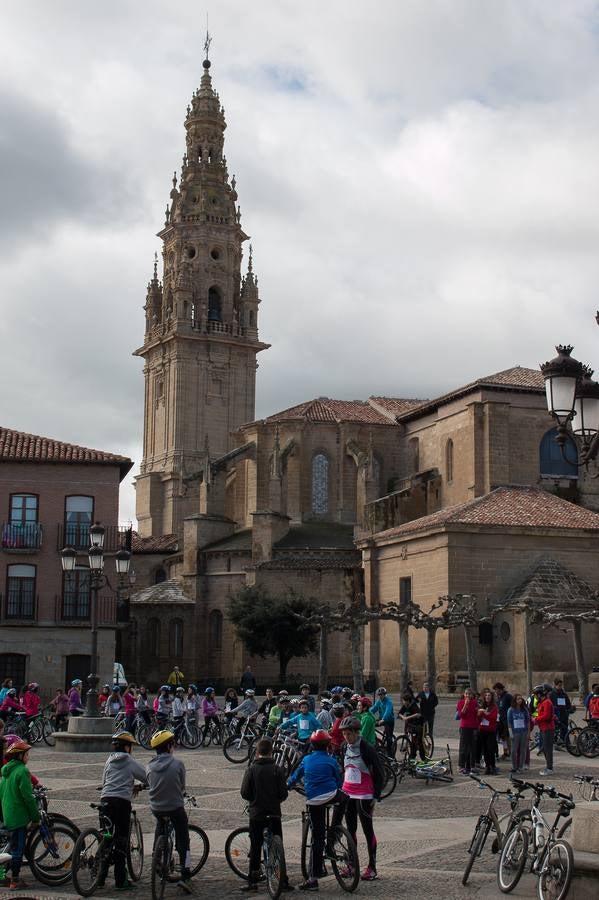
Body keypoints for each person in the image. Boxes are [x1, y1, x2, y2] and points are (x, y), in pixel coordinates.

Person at [287, 729, 343, 892]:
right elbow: (338, 778)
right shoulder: (331, 760)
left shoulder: (307, 759)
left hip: (314, 800)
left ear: (312, 745)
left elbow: (296, 776)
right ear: (327, 745)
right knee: (345, 799)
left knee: (317, 838)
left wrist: (288, 785)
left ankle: (313, 879)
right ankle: (335, 829)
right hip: (332, 795)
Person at [332, 715, 384, 882]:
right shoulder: (343, 747)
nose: (347, 737)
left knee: (368, 830)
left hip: (364, 794)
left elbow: (380, 773)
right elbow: (343, 767)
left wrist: (376, 795)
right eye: (345, 734)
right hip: (348, 793)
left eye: (349, 734)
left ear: (356, 732)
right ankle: (352, 865)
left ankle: (372, 867)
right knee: (350, 830)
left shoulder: (367, 748)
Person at [240, 738, 293, 893]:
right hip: (274, 813)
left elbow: (244, 792)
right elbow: (283, 794)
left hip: (257, 814)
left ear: (257, 753)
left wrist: (253, 799)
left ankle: (253, 880)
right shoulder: (278, 769)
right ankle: (283, 880)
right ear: (271, 752)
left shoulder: (251, 769)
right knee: (278, 846)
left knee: (255, 846)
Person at [100, 731, 147, 891]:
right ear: (127, 747)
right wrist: (142, 785)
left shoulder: (109, 760)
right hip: (121, 802)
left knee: (106, 838)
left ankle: (100, 877)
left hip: (105, 800)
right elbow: (146, 776)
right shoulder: (129, 761)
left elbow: (104, 780)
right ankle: (121, 880)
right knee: (121, 838)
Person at [147, 730, 193, 894]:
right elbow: (182, 787)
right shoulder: (178, 764)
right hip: (175, 807)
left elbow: (149, 783)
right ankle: (186, 874)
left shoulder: (150, 766)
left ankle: (156, 859)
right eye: (172, 744)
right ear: (168, 746)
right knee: (184, 841)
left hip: (157, 808)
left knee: (160, 827)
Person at [0, 739, 40, 890]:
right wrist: (35, 817)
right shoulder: (22, 771)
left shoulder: (6, 771)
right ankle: (15, 880)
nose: (28, 757)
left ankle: (2, 875)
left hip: (8, 814)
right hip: (19, 816)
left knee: (10, 847)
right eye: (27, 754)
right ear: (20, 756)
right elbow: (28, 797)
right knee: (18, 850)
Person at [533, 684, 555, 776]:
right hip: (543, 728)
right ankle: (548, 766)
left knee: (547, 749)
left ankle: (549, 768)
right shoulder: (542, 702)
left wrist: (536, 719)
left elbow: (547, 716)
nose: (535, 696)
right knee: (545, 749)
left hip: (548, 728)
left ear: (540, 694)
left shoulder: (547, 703)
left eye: (536, 694)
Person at [456, 687, 479, 774]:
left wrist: (479, 711)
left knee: (472, 747)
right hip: (464, 727)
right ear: (464, 695)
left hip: (473, 727)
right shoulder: (460, 702)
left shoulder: (475, 703)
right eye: (466, 694)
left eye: (469, 694)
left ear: (472, 695)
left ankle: (471, 766)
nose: (468, 695)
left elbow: (476, 715)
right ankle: (461, 765)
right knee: (463, 747)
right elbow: (461, 715)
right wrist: (465, 705)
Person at [397, 692, 426, 760]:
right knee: (412, 741)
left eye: (404, 700)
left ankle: (423, 758)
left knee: (419, 741)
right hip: (410, 725)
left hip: (418, 725)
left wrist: (407, 717)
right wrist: (402, 716)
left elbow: (418, 714)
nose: (403, 702)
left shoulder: (414, 705)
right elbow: (399, 713)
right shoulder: (405, 706)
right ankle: (412, 756)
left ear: (407, 701)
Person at [477, 689, 499, 775]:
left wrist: (485, 713)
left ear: (491, 697)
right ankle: (487, 767)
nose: (487, 697)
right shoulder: (482, 706)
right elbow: (478, 719)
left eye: (489, 696)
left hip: (491, 731)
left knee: (491, 749)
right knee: (485, 750)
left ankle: (492, 766)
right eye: (486, 696)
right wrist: (479, 714)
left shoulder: (494, 707)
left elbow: (493, 718)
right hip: (482, 730)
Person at [507, 694, 530, 775]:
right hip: (515, 732)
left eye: (520, 698)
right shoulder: (510, 710)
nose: (519, 700)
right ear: (515, 700)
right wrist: (510, 733)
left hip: (523, 732)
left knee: (523, 750)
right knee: (514, 751)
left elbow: (528, 722)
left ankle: (521, 767)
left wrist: (528, 733)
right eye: (518, 699)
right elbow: (509, 723)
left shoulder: (524, 710)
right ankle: (514, 767)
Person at [371, 687, 395, 755]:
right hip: (381, 719)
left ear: (385, 694)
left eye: (382, 694)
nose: (380, 696)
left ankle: (390, 753)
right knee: (372, 725)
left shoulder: (388, 702)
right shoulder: (379, 701)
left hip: (389, 720)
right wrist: (366, 713)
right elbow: (373, 709)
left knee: (388, 737)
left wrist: (383, 719)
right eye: (379, 695)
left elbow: (388, 711)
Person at [549, 679, 573, 743]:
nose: (560, 687)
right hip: (556, 715)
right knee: (556, 729)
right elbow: (549, 705)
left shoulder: (564, 694)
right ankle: (555, 741)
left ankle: (566, 742)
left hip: (564, 714)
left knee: (565, 729)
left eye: (561, 685)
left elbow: (568, 704)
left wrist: (569, 709)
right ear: (555, 685)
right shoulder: (551, 694)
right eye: (559, 685)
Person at [492, 683, 513, 759]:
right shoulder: (498, 698)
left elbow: (513, 706)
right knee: (503, 737)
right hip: (500, 721)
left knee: (508, 737)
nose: (495, 692)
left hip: (507, 721)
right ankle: (505, 753)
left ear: (500, 689)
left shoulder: (507, 696)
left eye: (496, 690)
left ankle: (511, 754)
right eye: (495, 690)